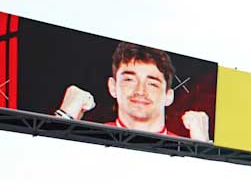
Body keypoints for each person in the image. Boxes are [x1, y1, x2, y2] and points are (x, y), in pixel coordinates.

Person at [55, 42, 210, 141]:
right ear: (112, 87)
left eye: (152, 84)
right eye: (129, 80)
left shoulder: (183, 149)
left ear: (168, 97)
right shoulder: (87, 138)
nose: (140, 91)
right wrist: (63, 119)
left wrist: (203, 147)